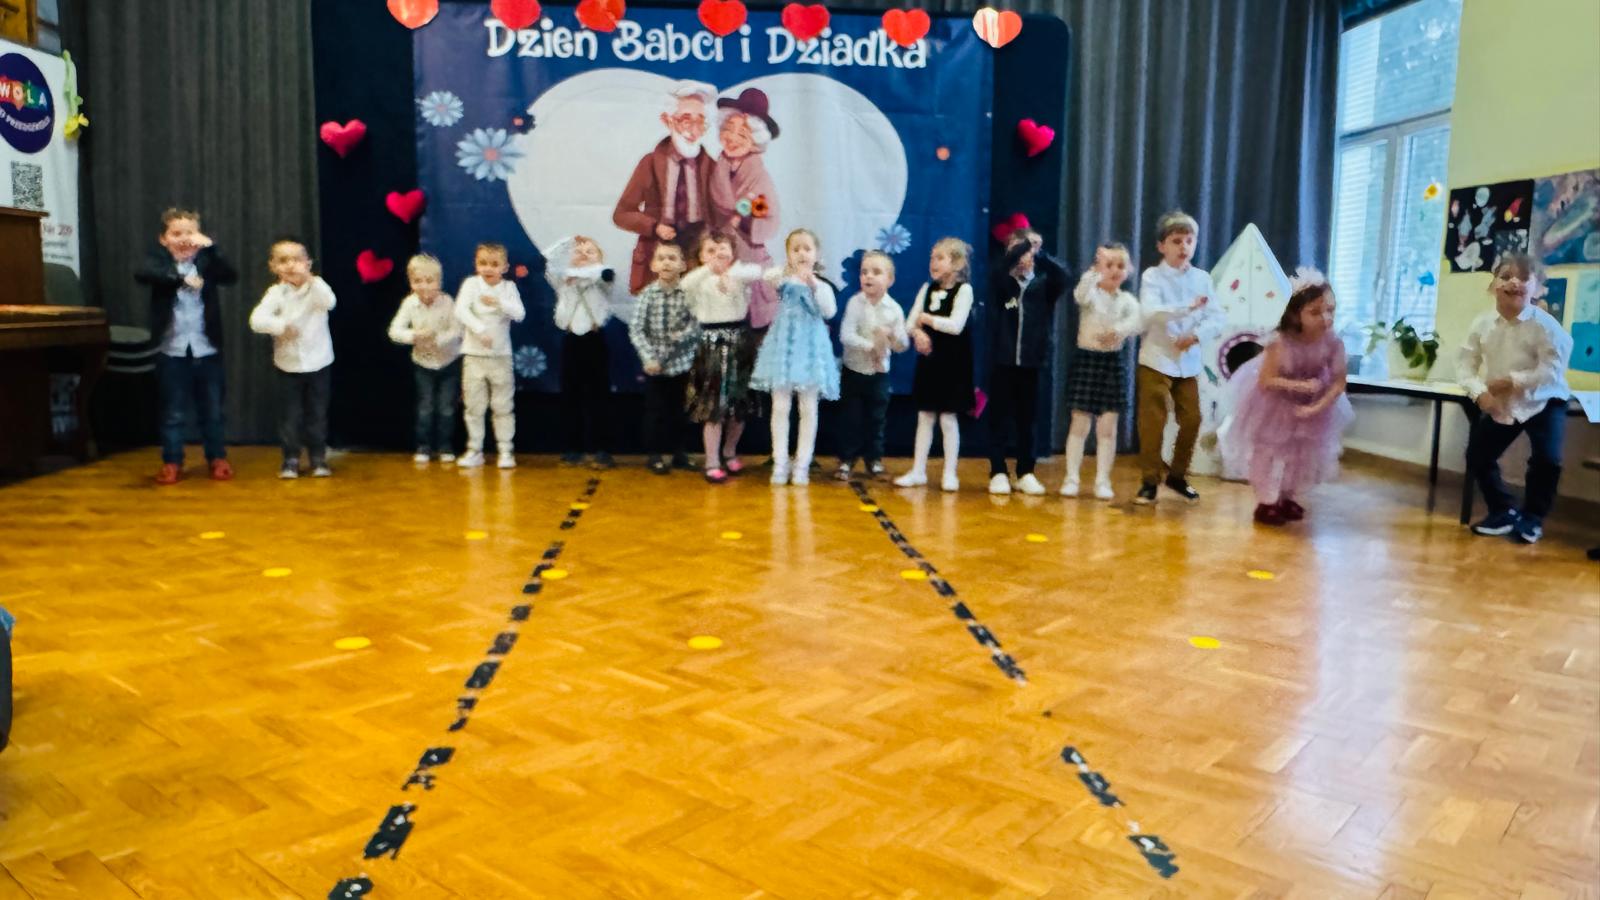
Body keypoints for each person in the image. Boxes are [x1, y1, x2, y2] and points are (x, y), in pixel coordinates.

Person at [1218, 269, 1353, 525]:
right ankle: (1267, 500)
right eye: (1315, 312)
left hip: (1312, 406)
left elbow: (1338, 382)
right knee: (1271, 452)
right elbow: (1266, 380)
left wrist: (1317, 408)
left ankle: (1288, 495)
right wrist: (1299, 386)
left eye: (1330, 310)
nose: (1326, 318)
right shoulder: (1279, 342)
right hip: (1274, 404)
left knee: (1302, 453)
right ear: (1294, 314)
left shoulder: (1334, 343)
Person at [1458, 253, 1573, 545]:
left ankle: (1532, 518)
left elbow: (1552, 370)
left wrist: (1512, 381)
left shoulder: (1546, 326)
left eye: (1523, 278)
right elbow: (1465, 365)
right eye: (1506, 276)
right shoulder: (1482, 324)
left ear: (1537, 288)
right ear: (1493, 285)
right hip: (1503, 402)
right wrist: (1479, 393)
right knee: (1477, 455)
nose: (1514, 283)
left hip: (1545, 399)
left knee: (1547, 459)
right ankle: (1503, 510)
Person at [135, 207, 238, 485]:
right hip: (172, 350)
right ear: (163, 239)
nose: (183, 239)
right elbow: (143, 273)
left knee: (213, 411)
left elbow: (230, 275)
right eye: (176, 233)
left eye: (190, 233)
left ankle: (217, 457)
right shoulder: (160, 263)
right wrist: (181, 278)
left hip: (207, 349)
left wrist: (212, 248)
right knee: (173, 412)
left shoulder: (207, 262)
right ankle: (172, 461)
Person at [1135, 209, 1220, 505]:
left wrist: (1195, 336)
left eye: (1189, 240)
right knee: (1153, 422)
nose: (1184, 247)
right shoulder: (1152, 276)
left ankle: (1177, 476)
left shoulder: (1202, 279)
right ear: (1162, 246)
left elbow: (1216, 317)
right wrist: (1187, 309)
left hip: (1187, 363)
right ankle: (1149, 481)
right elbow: (1151, 312)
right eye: (1176, 241)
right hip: (1156, 360)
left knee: (1193, 419)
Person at [751, 229, 840, 486]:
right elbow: (768, 276)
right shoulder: (782, 279)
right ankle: (780, 462)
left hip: (810, 351)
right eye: (796, 249)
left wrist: (812, 284)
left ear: (816, 254)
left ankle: (802, 464)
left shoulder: (821, 285)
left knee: (808, 408)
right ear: (788, 254)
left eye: (807, 248)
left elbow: (829, 311)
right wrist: (789, 271)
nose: (802, 253)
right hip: (784, 349)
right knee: (780, 406)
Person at [984, 227, 1069, 495]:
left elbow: (1064, 276)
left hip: (1033, 363)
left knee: (1027, 420)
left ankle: (1025, 471)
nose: (1025, 255)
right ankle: (998, 471)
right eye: (1020, 249)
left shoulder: (1044, 284)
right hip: (1003, 361)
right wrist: (1020, 248)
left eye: (1031, 249)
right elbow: (999, 269)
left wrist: (1037, 253)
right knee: (999, 418)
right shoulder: (1002, 281)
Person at [614, 80, 718, 293]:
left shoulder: (712, 167)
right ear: (667, 120)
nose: (693, 129)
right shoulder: (650, 163)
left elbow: (724, 215)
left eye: (700, 122)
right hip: (658, 257)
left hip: (698, 260)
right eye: (686, 120)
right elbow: (622, 214)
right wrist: (654, 227)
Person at [248, 239, 336, 479]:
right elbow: (256, 320)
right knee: (290, 416)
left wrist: (310, 279)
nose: (290, 265)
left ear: (308, 263)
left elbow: (330, 302)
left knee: (317, 414)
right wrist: (280, 326)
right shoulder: (275, 293)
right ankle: (291, 459)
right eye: (283, 260)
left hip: (318, 362)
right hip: (288, 365)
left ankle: (318, 458)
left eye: (297, 259)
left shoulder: (317, 287)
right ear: (273, 266)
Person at [1060, 243, 1143, 500]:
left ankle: (1103, 481)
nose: (1115, 270)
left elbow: (1138, 322)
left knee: (1108, 427)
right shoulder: (1091, 294)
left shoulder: (1127, 300)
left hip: (1112, 362)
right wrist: (1094, 272)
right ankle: (1071, 478)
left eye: (1120, 266)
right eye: (1109, 265)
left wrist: (1118, 331)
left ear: (1128, 270)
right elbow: (1080, 295)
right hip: (1087, 359)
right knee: (1079, 423)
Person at [894, 238, 975, 492]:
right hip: (929, 362)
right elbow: (910, 322)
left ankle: (950, 473)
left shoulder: (964, 290)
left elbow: (956, 325)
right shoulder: (926, 288)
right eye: (932, 258)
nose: (933, 263)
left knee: (948, 418)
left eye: (940, 258)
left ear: (957, 263)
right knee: (925, 416)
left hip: (953, 363)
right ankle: (918, 470)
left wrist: (927, 320)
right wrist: (917, 333)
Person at [683, 232, 765, 483]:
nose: (717, 255)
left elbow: (757, 272)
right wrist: (710, 268)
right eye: (710, 250)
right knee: (713, 407)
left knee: (739, 406)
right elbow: (685, 285)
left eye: (723, 249)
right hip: (712, 344)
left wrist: (730, 271)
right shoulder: (699, 280)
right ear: (699, 256)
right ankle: (712, 460)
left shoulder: (739, 275)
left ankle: (729, 451)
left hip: (740, 342)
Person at [708, 88, 782, 332]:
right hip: (720, 253)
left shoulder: (758, 175)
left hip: (750, 256)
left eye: (742, 133)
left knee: (754, 324)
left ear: (755, 141)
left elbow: (767, 217)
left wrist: (742, 220)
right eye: (728, 129)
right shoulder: (718, 166)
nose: (732, 138)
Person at [835, 250, 909, 481]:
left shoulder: (894, 309)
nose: (868, 276)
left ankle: (874, 460)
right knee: (851, 418)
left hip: (879, 374)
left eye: (876, 272)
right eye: (864, 272)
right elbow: (846, 335)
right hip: (854, 370)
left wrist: (892, 339)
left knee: (876, 419)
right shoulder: (854, 303)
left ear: (890, 279)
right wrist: (872, 346)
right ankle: (846, 460)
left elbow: (903, 344)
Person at [547, 235, 619, 469]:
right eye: (579, 252)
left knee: (599, 397)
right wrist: (569, 242)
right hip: (571, 341)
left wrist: (580, 273)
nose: (584, 255)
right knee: (571, 396)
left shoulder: (604, 275)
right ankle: (573, 449)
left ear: (599, 258)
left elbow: (604, 275)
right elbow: (548, 260)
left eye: (590, 252)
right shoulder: (562, 279)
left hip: (594, 341)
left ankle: (602, 449)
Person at [629, 242, 700, 475]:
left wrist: (684, 336)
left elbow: (697, 324)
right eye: (661, 258)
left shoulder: (689, 294)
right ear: (653, 265)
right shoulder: (648, 295)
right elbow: (637, 329)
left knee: (680, 411)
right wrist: (649, 358)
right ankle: (655, 455)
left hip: (682, 364)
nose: (666, 263)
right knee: (655, 411)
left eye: (672, 258)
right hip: (655, 366)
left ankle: (680, 453)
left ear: (683, 265)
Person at [454, 242, 526, 470]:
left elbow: (519, 314)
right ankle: (475, 449)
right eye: (483, 263)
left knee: (502, 405)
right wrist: (479, 330)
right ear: (476, 264)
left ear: (504, 267)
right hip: (473, 356)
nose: (488, 268)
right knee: (474, 406)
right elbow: (460, 310)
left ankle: (505, 450)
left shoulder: (508, 288)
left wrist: (499, 302)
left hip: (500, 357)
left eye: (494, 264)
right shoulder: (471, 284)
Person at [388, 253, 463, 464]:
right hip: (423, 364)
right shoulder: (409, 303)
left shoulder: (448, 302)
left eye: (429, 281)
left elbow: (457, 331)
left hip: (448, 363)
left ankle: (445, 446)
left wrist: (437, 339)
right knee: (425, 407)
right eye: (417, 281)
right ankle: (423, 446)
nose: (424, 286)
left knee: (447, 408)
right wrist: (414, 336)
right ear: (411, 282)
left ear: (439, 282)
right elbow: (394, 331)